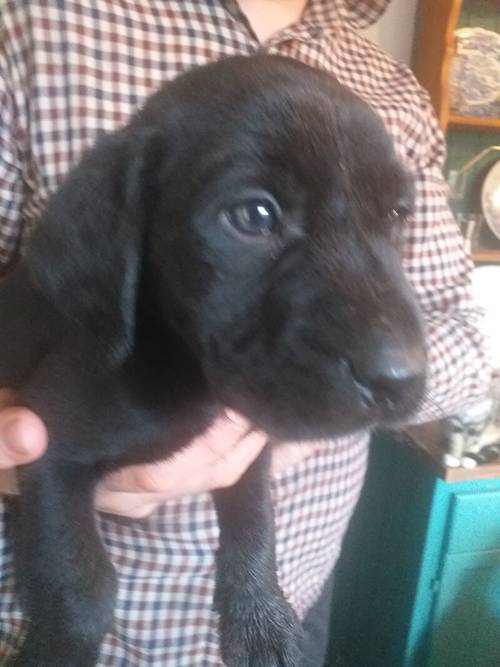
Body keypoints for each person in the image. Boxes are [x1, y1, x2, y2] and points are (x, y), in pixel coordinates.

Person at [0, 1, 491, 665]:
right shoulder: (34, 29)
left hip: (292, 601)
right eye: (254, 214)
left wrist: (281, 435)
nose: (391, 352)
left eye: (391, 212)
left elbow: (462, 334)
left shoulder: (390, 85)